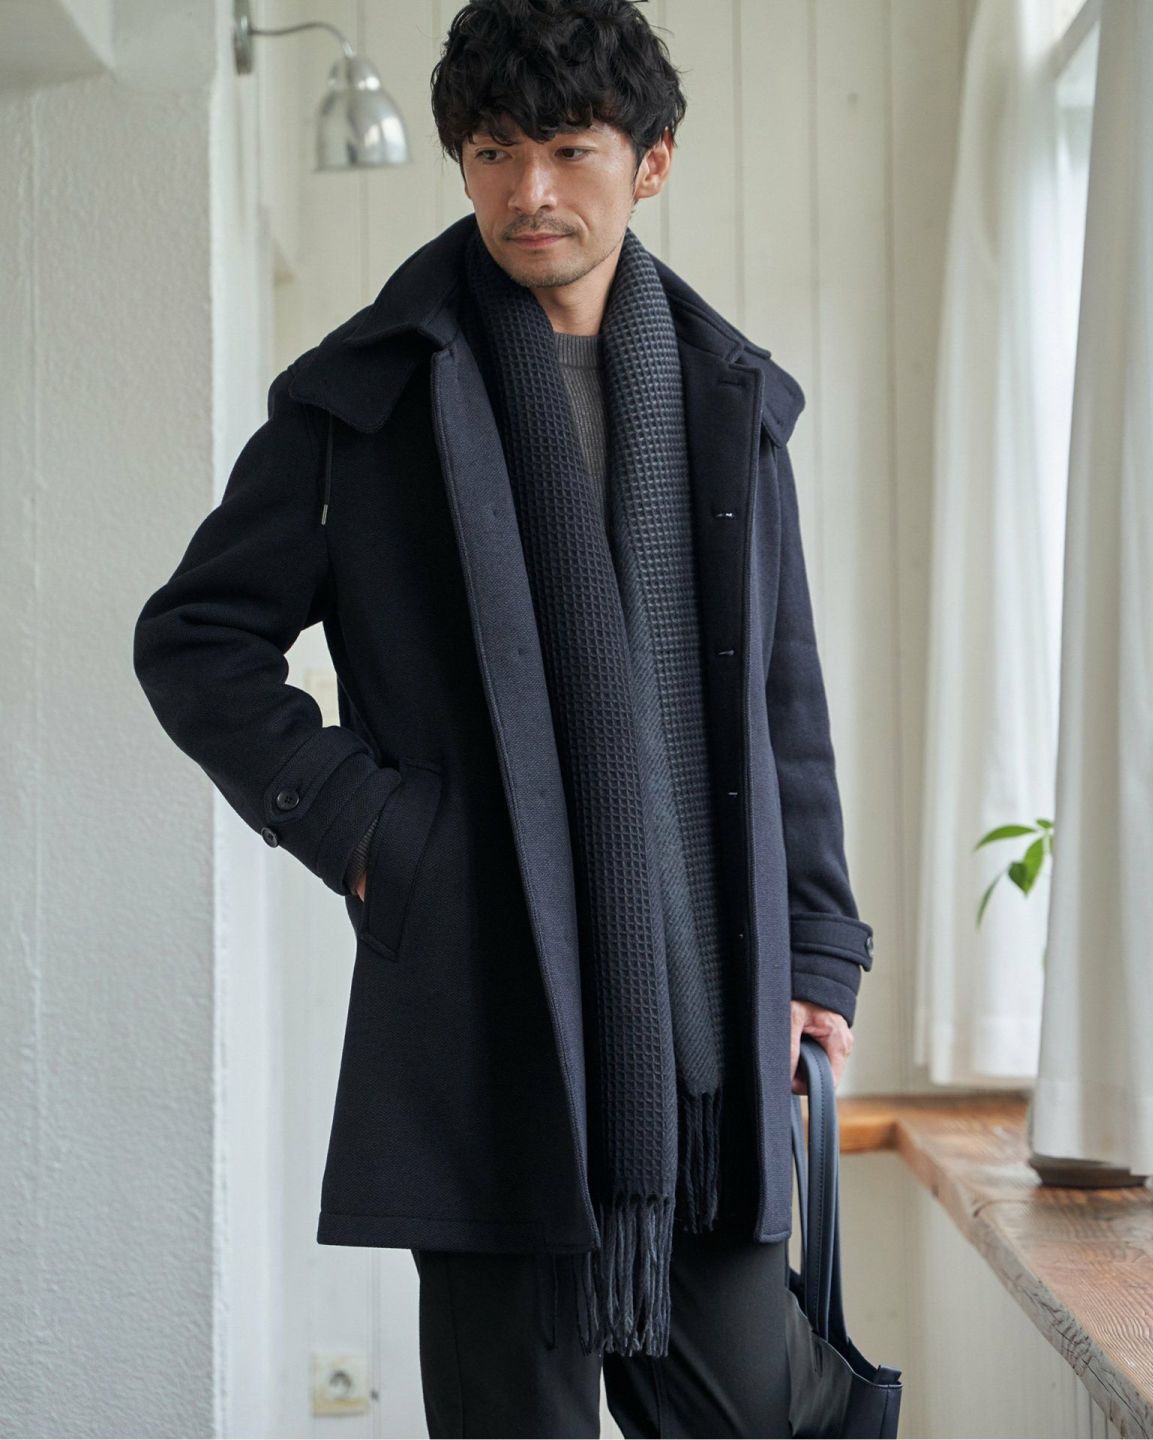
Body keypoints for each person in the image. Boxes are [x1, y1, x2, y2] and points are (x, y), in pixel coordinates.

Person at [133, 1, 876, 1433]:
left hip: (703, 1043)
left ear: (651, 161)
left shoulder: (729, 400)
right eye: (492, 151)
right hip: (487, 1030)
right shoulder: (366, 400)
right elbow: (196, 639)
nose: (529, 190)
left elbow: (783, 699)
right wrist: (376, 836)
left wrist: (821, 951)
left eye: (569, 149)